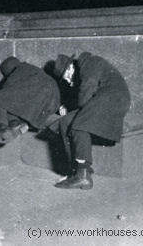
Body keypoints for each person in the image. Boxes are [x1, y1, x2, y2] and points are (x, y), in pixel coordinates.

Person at [52, 52, 131, 190]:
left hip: (113, 99)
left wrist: (78, 112)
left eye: (67, 76)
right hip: (101, 101)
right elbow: (85, 96)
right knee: (65, 122)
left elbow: (87, 88)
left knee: (78, 125)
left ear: (71, 67)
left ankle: (83, 175)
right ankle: (75, 171)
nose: (69, 81)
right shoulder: (83, 70)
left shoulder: (90, 62)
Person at [0, 56, 61, 150]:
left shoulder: (18, 70)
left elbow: (6, 93)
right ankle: (16, 125)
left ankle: (1, 127)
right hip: (54, 98)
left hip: (40, 94)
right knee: (15, 108)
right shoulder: (33, 69)